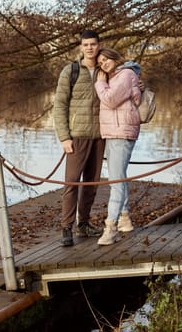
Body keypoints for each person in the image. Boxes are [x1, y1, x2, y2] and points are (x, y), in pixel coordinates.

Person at [53, 30, 105, 246]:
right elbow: (60, 106)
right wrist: (65, 137)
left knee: (91, 183)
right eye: (86, 45)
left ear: (99, 45)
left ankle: (83, 224)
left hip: (100, 135)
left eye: (93, 44)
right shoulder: (71, 71)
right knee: (71, 182)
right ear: (81, 47)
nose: (90, 48)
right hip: (77, 136)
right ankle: (67, 227)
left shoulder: (106, 69)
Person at [94, 48, 142, 245]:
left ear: (115, 58)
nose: (103, 64)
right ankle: (124, 219)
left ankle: (111, 227)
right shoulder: (117, 76)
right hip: (114, 131)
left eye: (106, 59)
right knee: (118, 177)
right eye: (100, 62)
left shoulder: (126, 74)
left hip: (122, 131)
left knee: (115, 181)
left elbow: (111, 100)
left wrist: (99, 81)